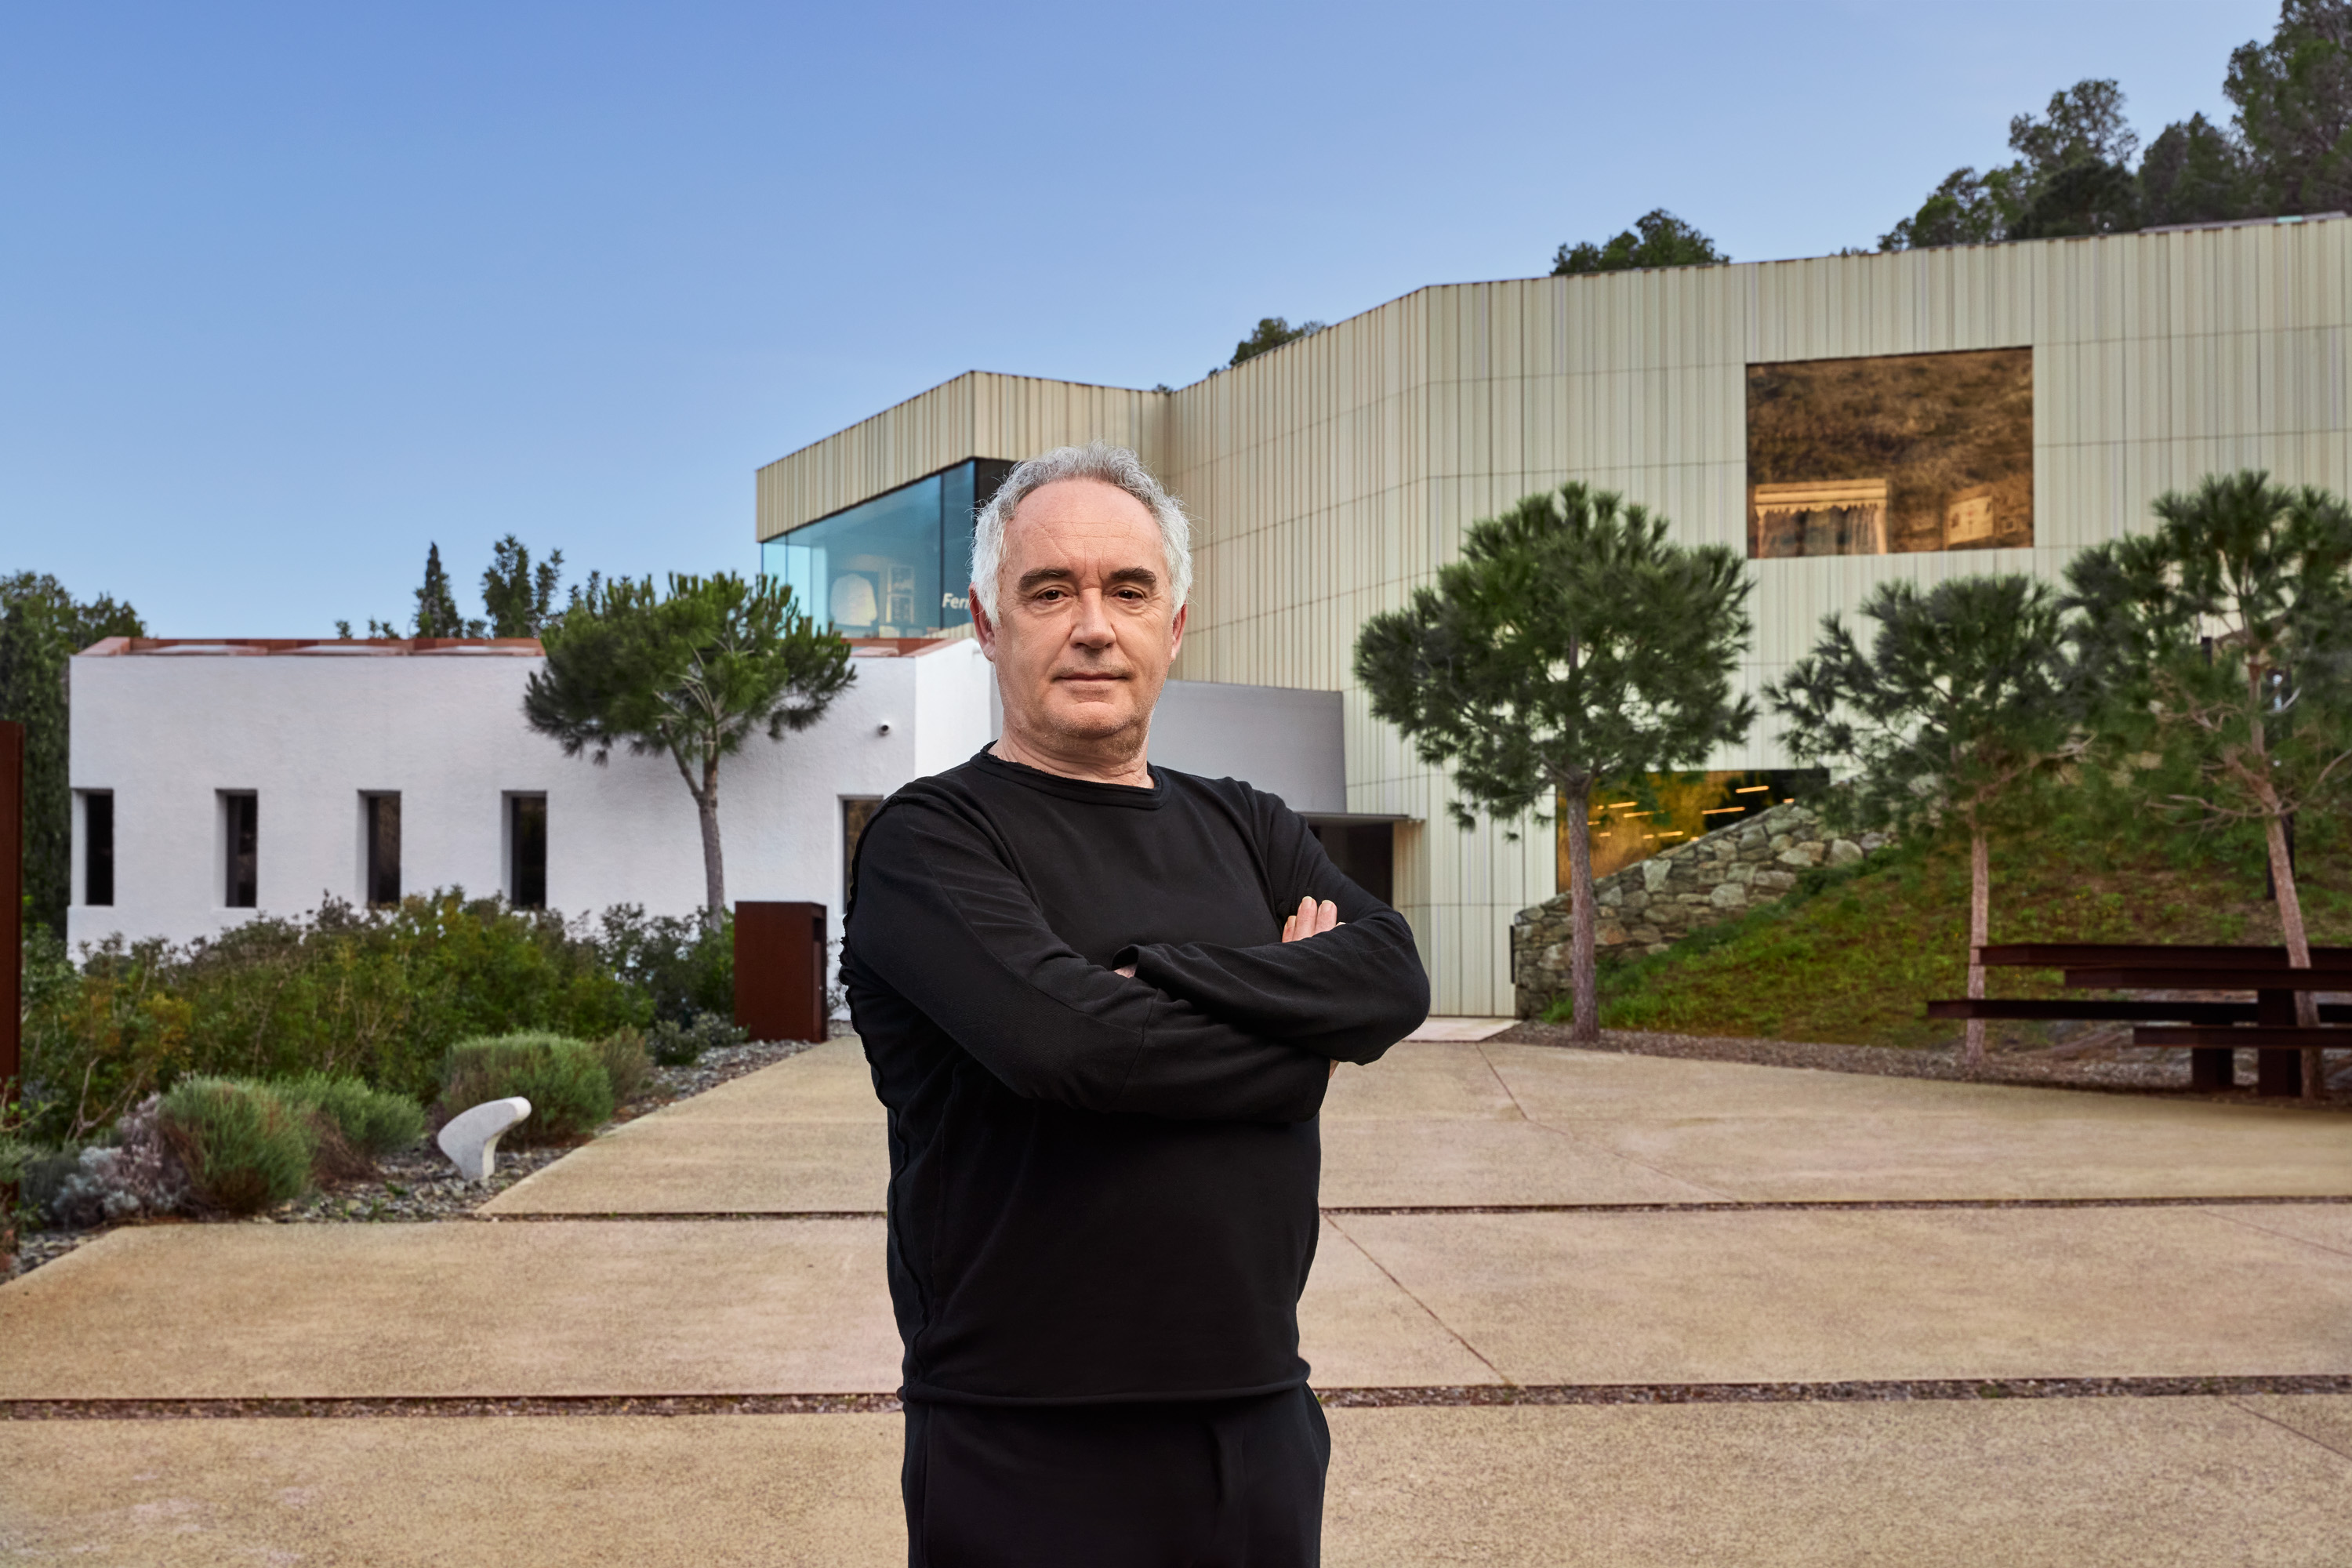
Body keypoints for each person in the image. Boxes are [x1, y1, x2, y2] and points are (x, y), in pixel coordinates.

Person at [842, 441, 1429, 1566]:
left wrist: (1149, 971)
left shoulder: (1247, 823)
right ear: (985, 621)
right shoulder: (934, 839)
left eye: (1128, 589)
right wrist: (1297, 1029)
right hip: (1023, 1440)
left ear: (1176, 621)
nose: (1094, 625)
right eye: (1049, 590)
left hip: (1256, 1424)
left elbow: (1390, 978)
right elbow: (1071, 1046)